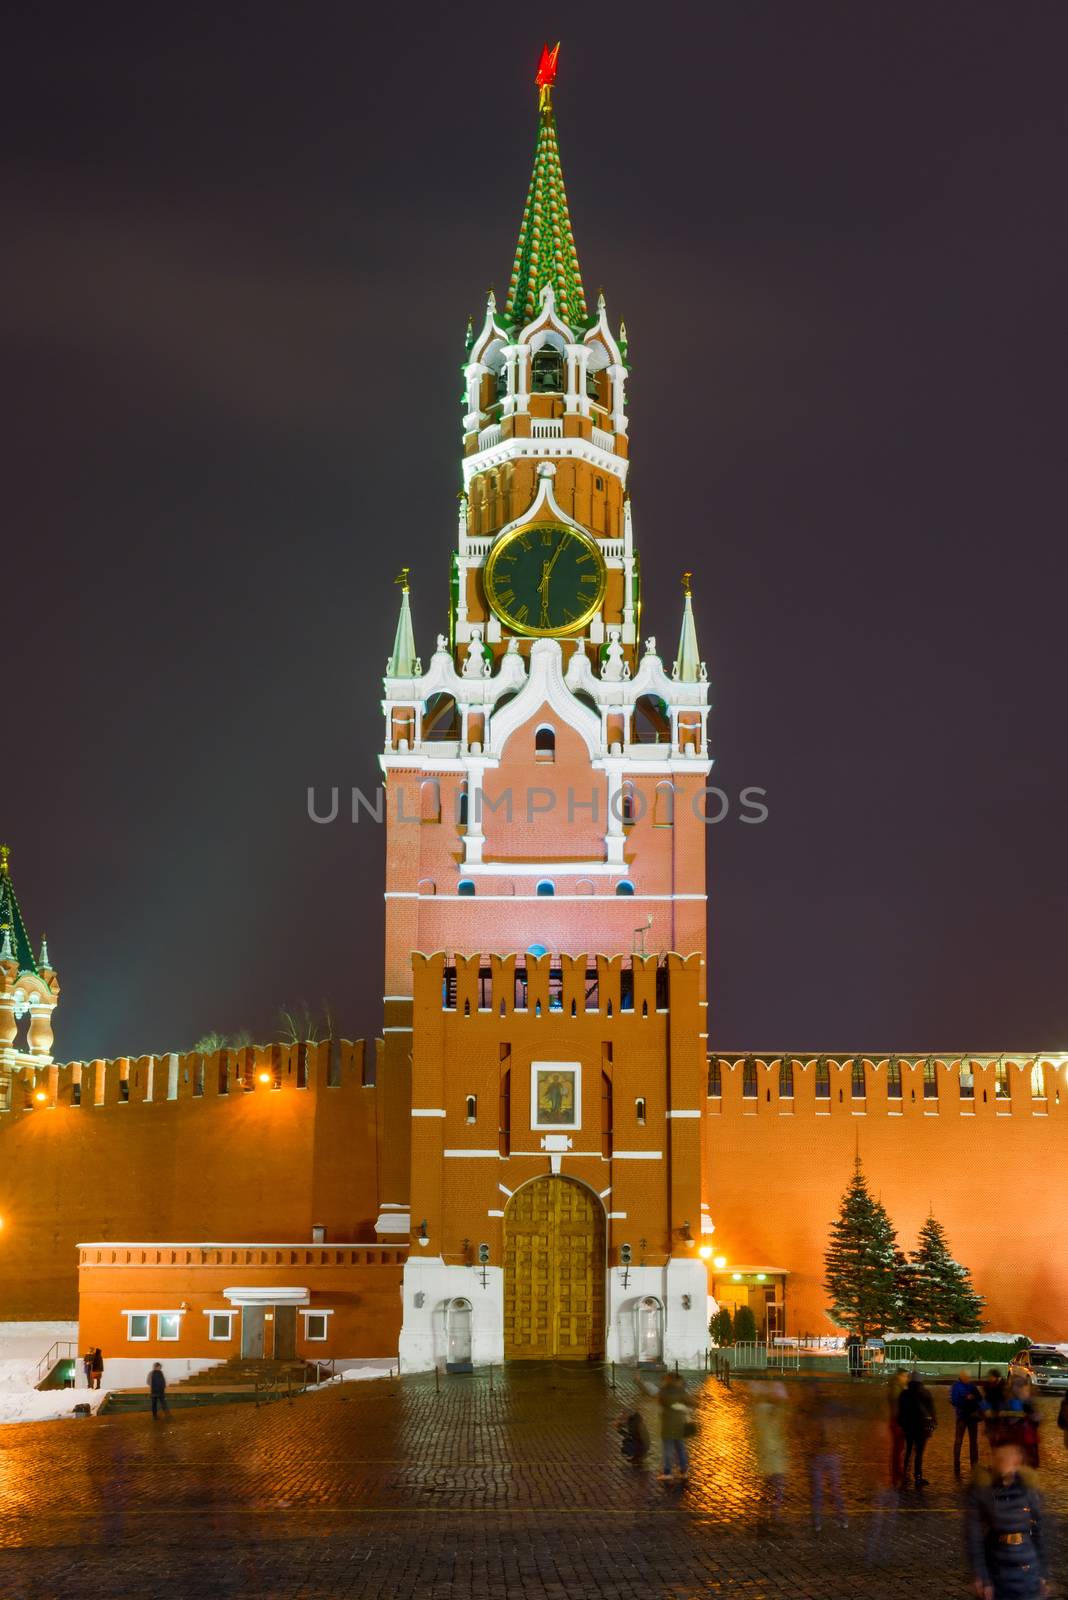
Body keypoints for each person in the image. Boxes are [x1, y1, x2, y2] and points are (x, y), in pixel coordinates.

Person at [965, 1430, 1049, 1600]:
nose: (1006, 1460)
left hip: (1028, 1572)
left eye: (1011, 1455)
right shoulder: (982, 1492)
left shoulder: (1028, 1490)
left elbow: (1039, 1533)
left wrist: (1042, 1574)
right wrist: (983, 1577)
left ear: (1018, 1459)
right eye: (1001, 1455)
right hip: (998, 1571)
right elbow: (974, 1538)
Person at [801, 1382, 848, 1532]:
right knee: (833, 1489)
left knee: (819, 1491)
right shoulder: (832, 1418)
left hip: (820, 1456)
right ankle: (840, 1519)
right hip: (829, 1456)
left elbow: (810, 1436)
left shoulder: (815, 1417)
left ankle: (818, 1522)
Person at [750, 1380, 789, 1526]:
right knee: (777, 1485)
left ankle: (766, 1509)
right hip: (775, 1456)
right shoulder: (775, 1413)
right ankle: (774, 1511)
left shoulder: (762, 1412)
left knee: (768, 1484)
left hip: (768, 1455)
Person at [899, 1372, 936, 1489]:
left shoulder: (904, 1394)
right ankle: (918, 1478)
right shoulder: (925, 1393)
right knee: (919, 1453)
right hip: (921, 1428)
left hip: (909, 1428)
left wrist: (902, 1425)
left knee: (908, 1451)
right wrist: (934, 1423)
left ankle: (905, 1476)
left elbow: (901, 1412)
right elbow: (931, 1410)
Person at [656, 1370, 692, 1481]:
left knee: (668, 1450)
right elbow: (692, 1402)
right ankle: (684, 1470)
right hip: (679, 1424)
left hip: (668, 1425)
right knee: (680, 1448)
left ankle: (667, 1472)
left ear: (668, 1380)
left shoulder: (665, 1391)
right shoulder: (680, 1390)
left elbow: (660, 1401)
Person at [952, 1370, 984, 1477]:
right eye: (966, 1377)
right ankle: (957, 1463)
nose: (968, 1378)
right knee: (959, 1441)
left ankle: (974, 1464)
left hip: (971, 1417)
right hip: (962, 1416)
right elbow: (955, 1400)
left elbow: (979, 1398)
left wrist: (972, 1398)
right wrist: (966, 1399)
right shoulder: (957, 1387)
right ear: (961, 1377)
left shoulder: (971, 1386)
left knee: (973, 1442)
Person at [887, 1368, 909, 1487]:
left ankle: (898, 1472)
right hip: (897, 1422)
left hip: (898, 1421)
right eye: (905, 1376)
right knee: (898, 1449)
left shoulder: (898, 1388)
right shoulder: (896, 1390)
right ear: (899, 1376)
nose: (906, 1379)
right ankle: (896, 1474)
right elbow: (898, 1407)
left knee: (899, 1449)